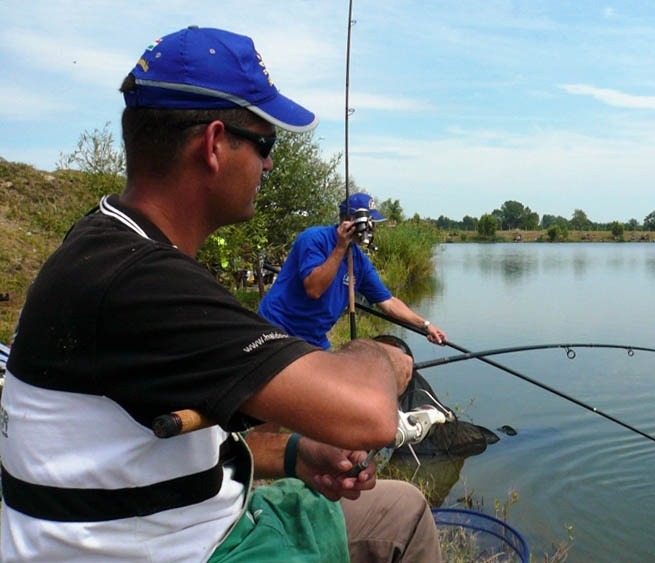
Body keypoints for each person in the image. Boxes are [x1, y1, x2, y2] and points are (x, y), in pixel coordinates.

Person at [0, 26, 441, 562]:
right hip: (164, 549)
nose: (269, 164)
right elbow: (369, 414)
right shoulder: (139, 281)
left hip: (165, 522)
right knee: (399, 508)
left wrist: (298, 454)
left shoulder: (105, 244)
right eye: (265, 144)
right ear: (212, 144)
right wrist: (384, 354)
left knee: (402, 509)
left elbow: (165, 452)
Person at [258, 192, 448, 349]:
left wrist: (426, 325)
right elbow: (314, 289)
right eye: (370, 223)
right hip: (278, 330)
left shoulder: (359, 261)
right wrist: (341, 247)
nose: (372, 230)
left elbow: (388, 302)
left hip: (314, 339)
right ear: (351, 221)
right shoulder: (314, 239)